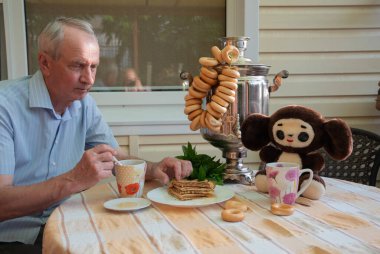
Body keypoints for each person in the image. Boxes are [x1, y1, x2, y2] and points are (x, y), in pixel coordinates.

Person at [0, 17, 192, 253]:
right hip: (13, 239)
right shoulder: (4, 106)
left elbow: (115, 158)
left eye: (93, 67)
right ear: (45, 63)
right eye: (77, 66)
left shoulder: (83, 103)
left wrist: (153, 168)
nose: (89, 80)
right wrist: (73, 180)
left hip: (67, 223)